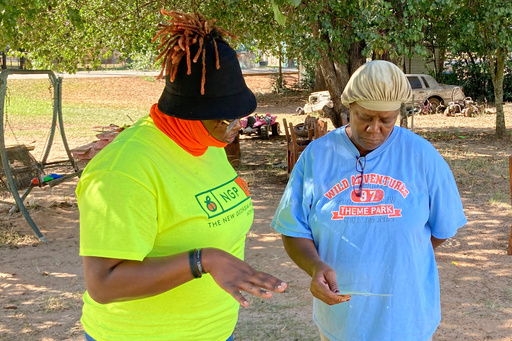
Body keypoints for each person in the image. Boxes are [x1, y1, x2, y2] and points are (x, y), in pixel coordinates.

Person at [77, 10, 287, 341]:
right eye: (226, 120)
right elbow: (103, 283)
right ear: (189, 114)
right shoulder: (125, 170)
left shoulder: (207, 142)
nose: (237, 128)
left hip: (214, 332)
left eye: (240, 118)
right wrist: (203, 260)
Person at [271, 60, 466, 341]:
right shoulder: (318, 156)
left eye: (387, 120)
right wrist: (315, 267)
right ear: (349, 107)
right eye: (365, 117)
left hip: (406, 319)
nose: (375, 129)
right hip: (342, 321)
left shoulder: (422, 156)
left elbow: (443, 228)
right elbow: (293, 229)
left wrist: (400, 255)